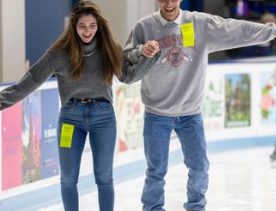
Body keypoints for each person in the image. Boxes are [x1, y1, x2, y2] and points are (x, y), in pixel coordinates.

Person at [124, 0, 276, 210]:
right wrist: (142, 50)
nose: (169, 3)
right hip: (157, 113)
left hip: (190, 114)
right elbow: (125, 60)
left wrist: (274, 31)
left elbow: (235, 29)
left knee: (199, 168)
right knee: (156, 171)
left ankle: (196, 207)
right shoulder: (144, 27)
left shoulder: (200, 24)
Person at [0, 1, 159, 211]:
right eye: (82, 26)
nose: (87, 31)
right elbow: (30, 81)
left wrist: (150, 57)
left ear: (99, 26)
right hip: (70, 119)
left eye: (92, 26)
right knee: (67, 179)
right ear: (74, 27)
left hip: (103, 118)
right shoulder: (59, 54)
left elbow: (128, 76)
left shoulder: (109, 49)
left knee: (104, 177)